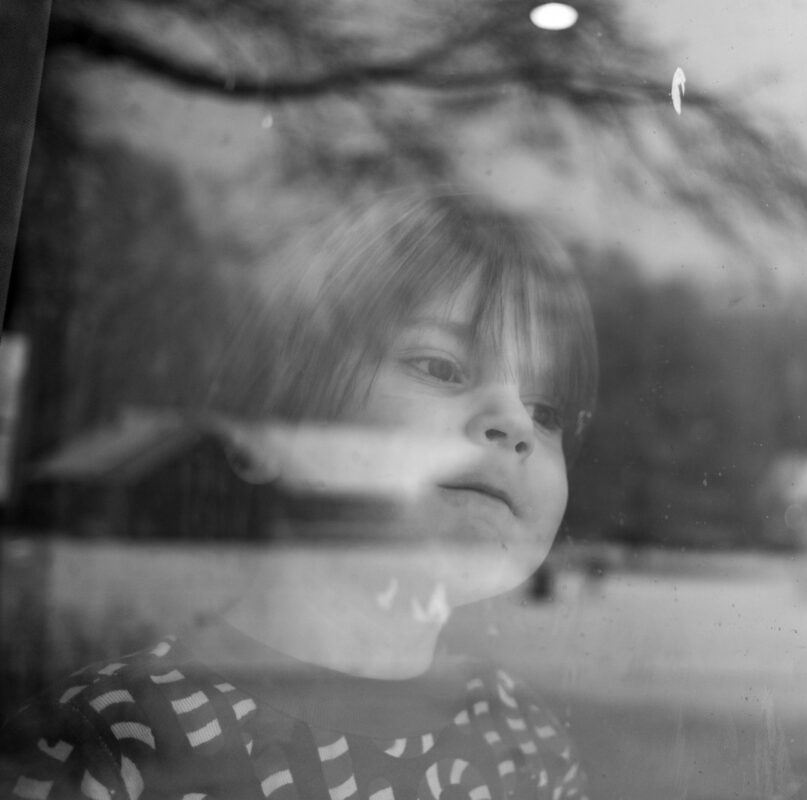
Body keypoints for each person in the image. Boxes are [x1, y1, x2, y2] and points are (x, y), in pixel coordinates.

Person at [0, 191, 596, 800]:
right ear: (267, 424)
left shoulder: (526, 747)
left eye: (545, 410)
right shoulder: (109, 740)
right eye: (440, 368)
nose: (516, 424)